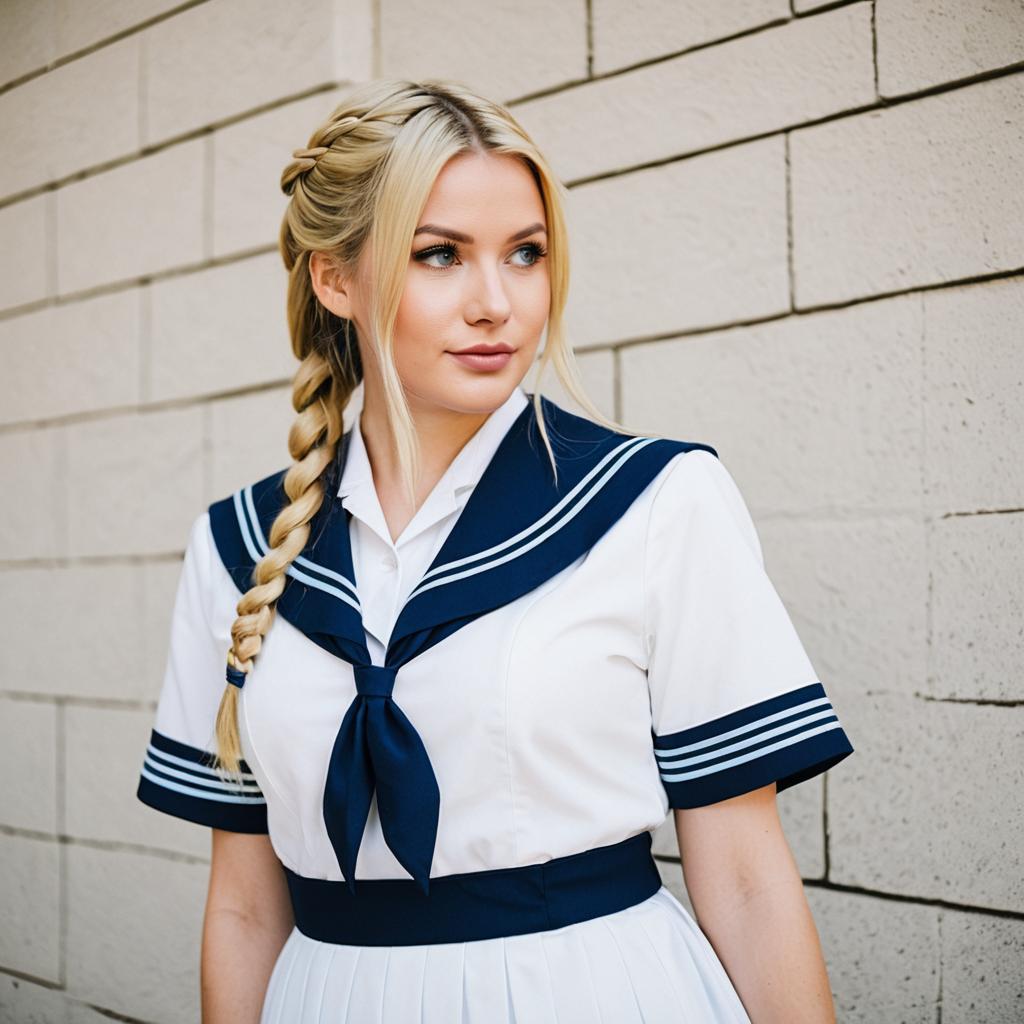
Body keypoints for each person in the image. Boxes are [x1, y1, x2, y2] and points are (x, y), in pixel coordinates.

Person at [136, 77, 854, 1023]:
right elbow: (241, 905)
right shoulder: (238, 548)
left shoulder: (658, 502)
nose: (496, 303)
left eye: (526, 254)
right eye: (440, 254)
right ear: (334, 279)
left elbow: (750, 881)